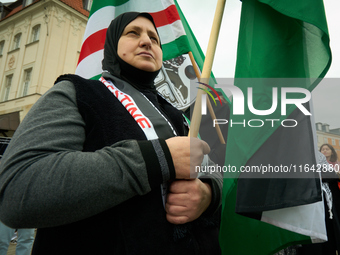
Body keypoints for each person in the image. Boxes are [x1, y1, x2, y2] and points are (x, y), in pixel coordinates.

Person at [0, 12, 222, 255]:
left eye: (154, 39)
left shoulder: (176, 114)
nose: (147, 41)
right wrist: (157, 159)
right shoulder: (76, 93)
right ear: (112, 45)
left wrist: (208, 194)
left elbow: (210, 168)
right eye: (133, 33)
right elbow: (16, 191)